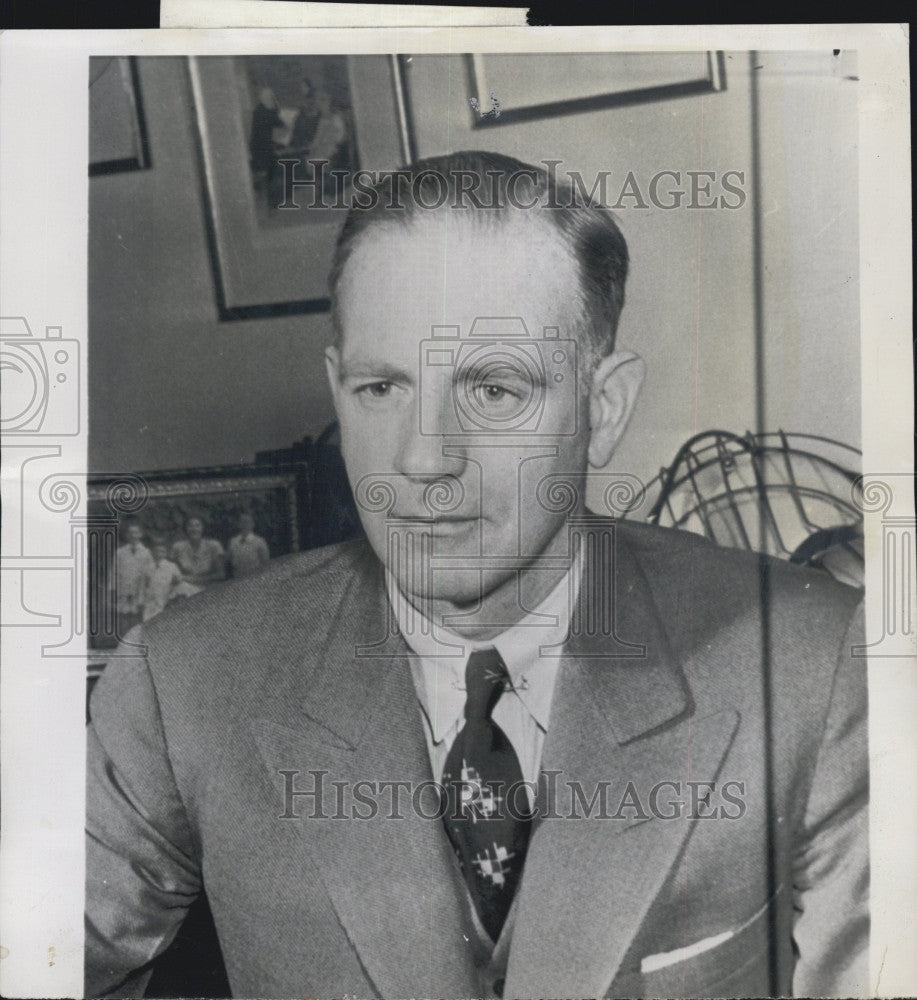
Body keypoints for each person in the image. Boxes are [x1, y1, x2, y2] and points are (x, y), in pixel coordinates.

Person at [85, 152, 867, 999]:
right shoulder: (183, 680)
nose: (422, 459)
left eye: (493, 391)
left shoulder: (810, 664)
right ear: (335, 387)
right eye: (381, 386)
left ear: (602, 410)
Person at [111, 519, 153, 638]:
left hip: (139, 588)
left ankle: (137, 639)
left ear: (140, 534)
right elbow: (114, 571)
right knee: (123, 614)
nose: (133, 536)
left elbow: (150, 571)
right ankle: (123, 639)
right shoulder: (120, 552)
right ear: (127, 535)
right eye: (130, 533)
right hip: (123, 587)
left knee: (137, 614)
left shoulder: (146, 552)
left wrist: (147, 583)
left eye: (136, 533)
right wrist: (113, 588)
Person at [169, 515, 226, 589]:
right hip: (185, 587)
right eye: (190, 526)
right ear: (186, 528)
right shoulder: (178, 547)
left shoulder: (214, 546)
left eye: (197, 525)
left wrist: (193, 579)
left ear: (203, 528)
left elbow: (220, 575)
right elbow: (171, 572)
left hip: (209, 587)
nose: (194, 529)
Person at [139, 540, 183, 622]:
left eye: (162, 551)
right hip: (150, 600)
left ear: (166, 553)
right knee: (147, 621)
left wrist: (172, 595)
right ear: (152, 552)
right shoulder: (147, 567)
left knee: (162, 620)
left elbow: (178, 582)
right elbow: (142, 585)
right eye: (157, 551)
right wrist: (141, 601)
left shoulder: (171, 566)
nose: (159, 554)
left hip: (165, 598)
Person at [227, 512, 270, 579]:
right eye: (242, 522)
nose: (245, 525)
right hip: (237, 578)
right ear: (238, 524)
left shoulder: (259, 541)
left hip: (255, 578)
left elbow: (265, 563)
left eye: (247, 522)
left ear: (253, 524)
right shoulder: (233, 542)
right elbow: (230, 560)